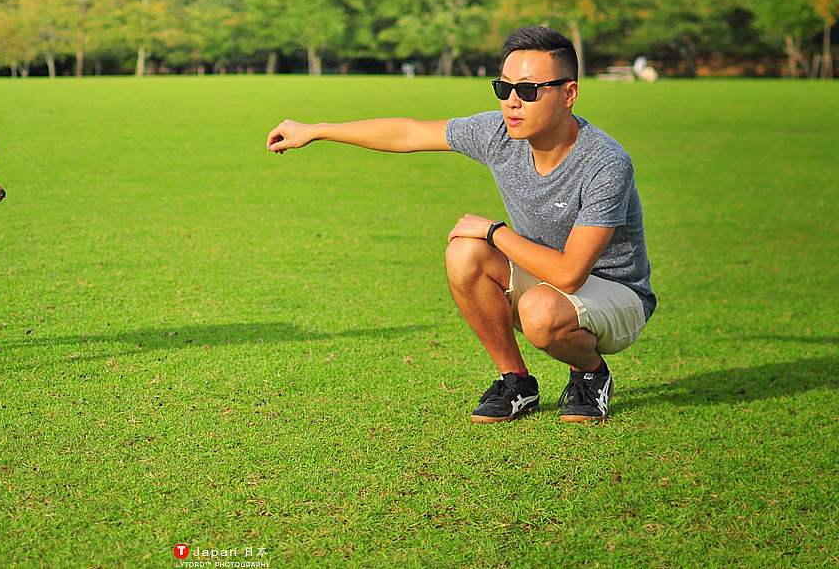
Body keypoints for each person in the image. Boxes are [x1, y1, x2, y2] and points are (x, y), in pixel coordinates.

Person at [265, 26, 656, 424]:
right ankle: (516, 381)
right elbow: (409, 133)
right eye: (503, 89)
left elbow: (571, 274)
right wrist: (315, 131)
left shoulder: (605, 162)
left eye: (529, 90)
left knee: (538, 308)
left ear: (569, 93)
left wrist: (494, 232)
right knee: (464, 253)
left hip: (615, 292)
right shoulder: (499, 134)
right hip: (547, 278)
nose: (513, 103)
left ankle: (590, 372)